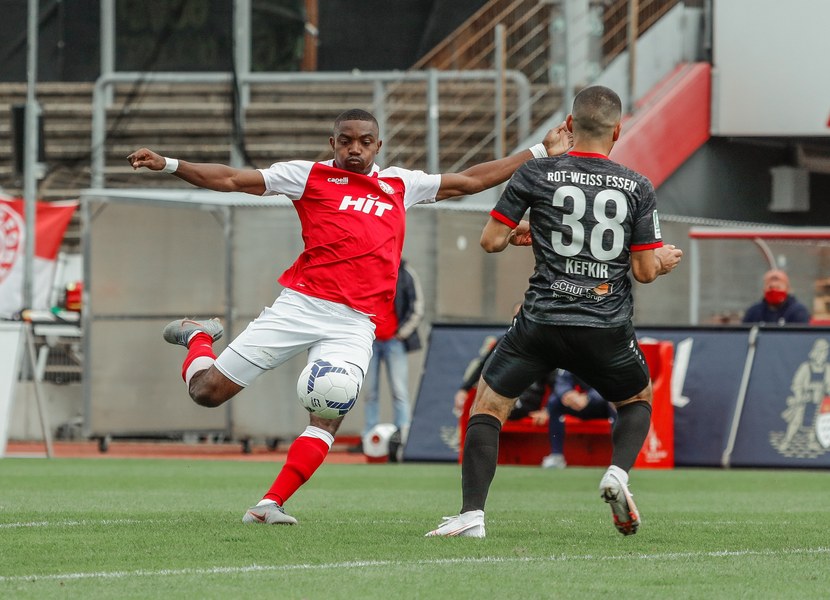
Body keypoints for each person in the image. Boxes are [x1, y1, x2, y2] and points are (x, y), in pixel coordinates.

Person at [127, 108, 572, 525]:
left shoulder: (400, 183)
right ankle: (197, 337)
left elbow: (471, 180)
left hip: (355, 323)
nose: (354, 149)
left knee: (329, 409)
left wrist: (538, 151)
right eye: (345, 141)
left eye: (364, 142)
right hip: (300, 306)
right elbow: (230, 179)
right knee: (206, 393)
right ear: (333, 143)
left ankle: (269, 505)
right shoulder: (307, 175)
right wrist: (169, 164)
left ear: (378, 146)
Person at [426, 85, 683, 539]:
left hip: (541, 323)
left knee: (488, 406)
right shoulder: (637, 186)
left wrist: (534, 227)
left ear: (568, 124)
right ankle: (617, 475)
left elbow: (491, 241)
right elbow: (644, 271)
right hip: (604, 324)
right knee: (637, 401)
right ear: (618, 131)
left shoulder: (536, 173)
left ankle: (471, 516)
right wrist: (660, 261)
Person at [361, 258, 424, 443]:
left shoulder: (405, 272)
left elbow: (417, 306)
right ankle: (369, 438)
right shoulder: (365, 270)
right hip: (370, 341)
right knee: (369, 392)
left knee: (399, 391)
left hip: (394, 341)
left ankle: (402, 437)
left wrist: (402, 333)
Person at [541, 369, 616, 469]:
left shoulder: (607, 361)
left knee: (615, 401)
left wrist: (588, 397)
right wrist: (567, 394)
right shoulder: (574, 360)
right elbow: (561, 381)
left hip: (602, 404)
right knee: (554, 401)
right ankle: (556, 455)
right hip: (578, 403)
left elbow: (612, 385)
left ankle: (619, 457)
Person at [742, 269, 810, 325]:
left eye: (778, 287)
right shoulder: (754, 312)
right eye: (770, 287)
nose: (774, 291)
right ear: (764, 289)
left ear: (788, 289)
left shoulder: (798, 312)